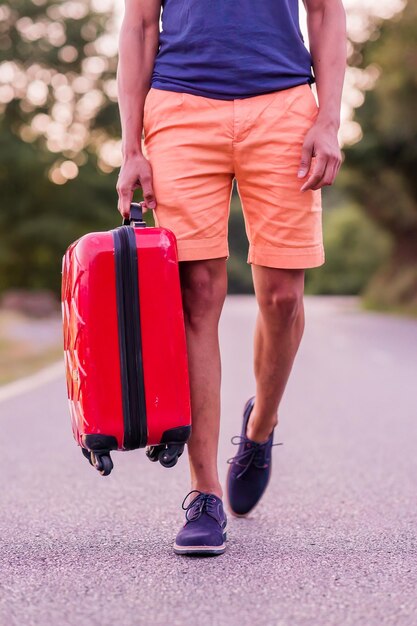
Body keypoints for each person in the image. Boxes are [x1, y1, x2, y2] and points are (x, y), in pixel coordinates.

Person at [116, 0, 346, 556]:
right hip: (180, 108)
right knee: (196, 294)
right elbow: (142, 23)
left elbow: (325, 12)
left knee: (284, 294)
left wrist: (328, 119)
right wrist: (130, 149)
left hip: (285, 104)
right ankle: (204, 493)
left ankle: (260, 427)